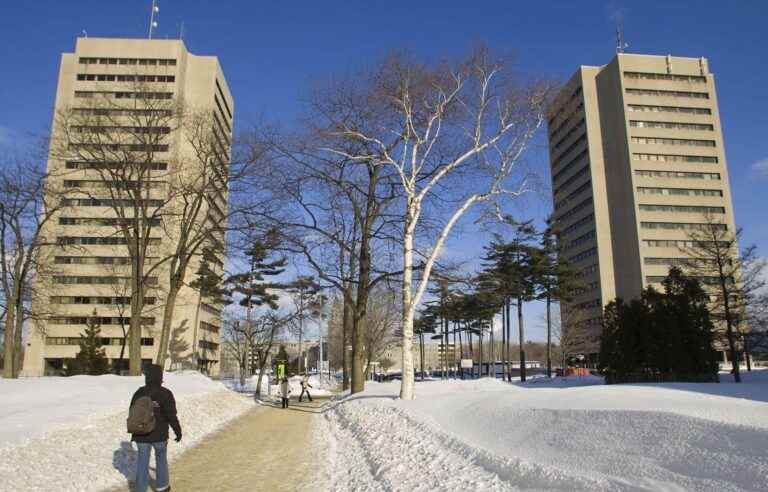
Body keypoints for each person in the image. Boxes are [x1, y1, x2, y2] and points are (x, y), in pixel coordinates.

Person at [129, 364, 182, 492]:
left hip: (141, 433)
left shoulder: (139, 392)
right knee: (161, 459)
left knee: (142, 462)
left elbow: (132, 412)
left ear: (147, 377)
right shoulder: (165, 393)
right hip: (159, 435)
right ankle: (162, 487)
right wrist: (177, 431)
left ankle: (140, 489)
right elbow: (171, 415)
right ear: (160, 377)